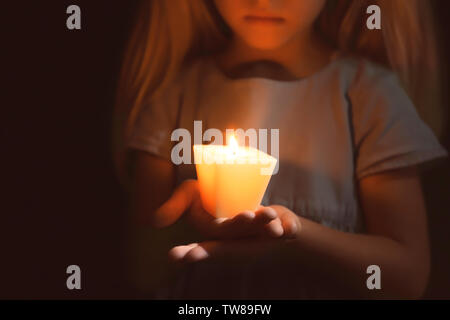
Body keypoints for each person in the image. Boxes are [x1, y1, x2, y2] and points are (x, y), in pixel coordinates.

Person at [113, 0, 448, 299]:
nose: (264, 1)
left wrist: (295, 236)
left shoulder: (368, 97)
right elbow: (144, 273)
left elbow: (406, 279)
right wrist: (182, 219)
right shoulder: (174, 95)